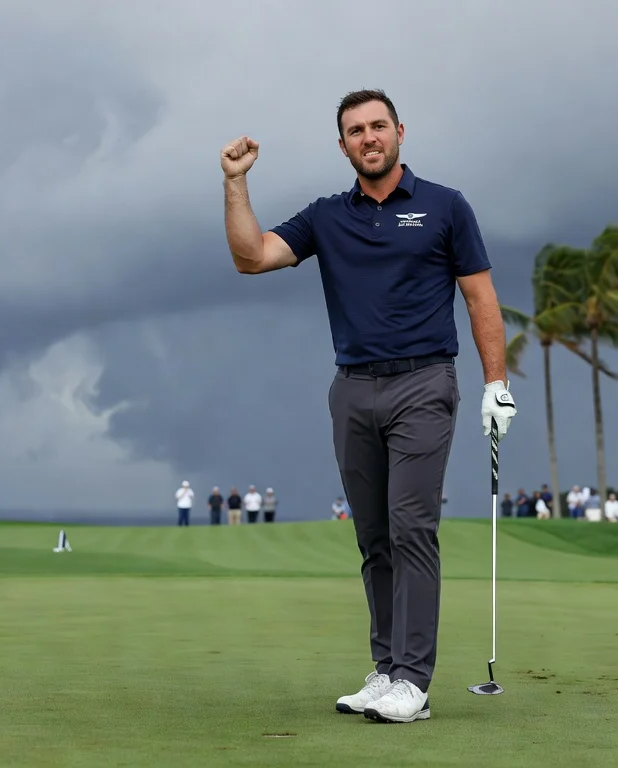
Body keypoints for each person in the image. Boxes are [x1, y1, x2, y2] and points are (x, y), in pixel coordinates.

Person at [221, 88, 515, 724]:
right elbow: (252, 257)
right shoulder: (327, 216)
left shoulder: (445, 206)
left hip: (424, 383)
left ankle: (414, 679)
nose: (369, 137)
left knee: (412, 525)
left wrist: (497, 382)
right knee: (373, 535)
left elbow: (480, 297)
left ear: (400, 132)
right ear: (344, 145)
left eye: (378, 126)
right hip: (352, 388)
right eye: (356, 130)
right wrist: (236, 184)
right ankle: (386, 671)